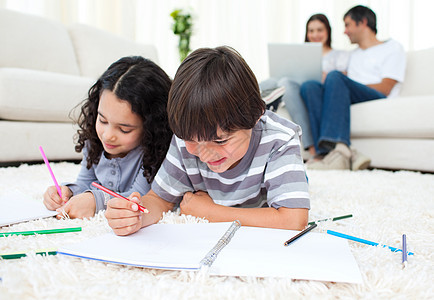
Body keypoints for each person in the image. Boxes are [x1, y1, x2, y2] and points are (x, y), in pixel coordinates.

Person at [105, 46, 310, 236]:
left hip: (268, 186)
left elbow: (293, 219)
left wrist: (210, 212)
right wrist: (137, 215)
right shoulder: (185, 138)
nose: (204, 154)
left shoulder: (280, 139)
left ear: (256, 115)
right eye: (192, 140)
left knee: (297, 187)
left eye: (220, 141)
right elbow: (160, 199)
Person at [43, 56, 173, 219]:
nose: (108, 135)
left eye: (124, 129)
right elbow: (86, 182)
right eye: (102, 120)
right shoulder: (95, 141)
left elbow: (141, 197)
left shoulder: (155, 151)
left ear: (151, 126)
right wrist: (68, 192)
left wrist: (96, 201)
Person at [300, 5, 406, 170]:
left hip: (378, 97)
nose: (344, 31)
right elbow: (339, 82)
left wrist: (342, 82)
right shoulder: (352, 55)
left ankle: (340, 150)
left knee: (335, 77)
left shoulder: (391, 48)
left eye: (348, 25)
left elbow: (386, 88)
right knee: (310, 86)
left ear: (362, 22)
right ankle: (325, 153)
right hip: (351, 95)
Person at [260, 14, 349, 158]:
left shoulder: (339, 55)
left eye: (320, 30)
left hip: (315, 91)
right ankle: (246, 93)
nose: (315, 35)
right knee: (275, 81)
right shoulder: (301, 54)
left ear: (328, 31)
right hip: (296, 88)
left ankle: (312, 148)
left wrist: (325, 76)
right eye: (311, 31)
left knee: (284, 84)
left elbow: (340, 81)